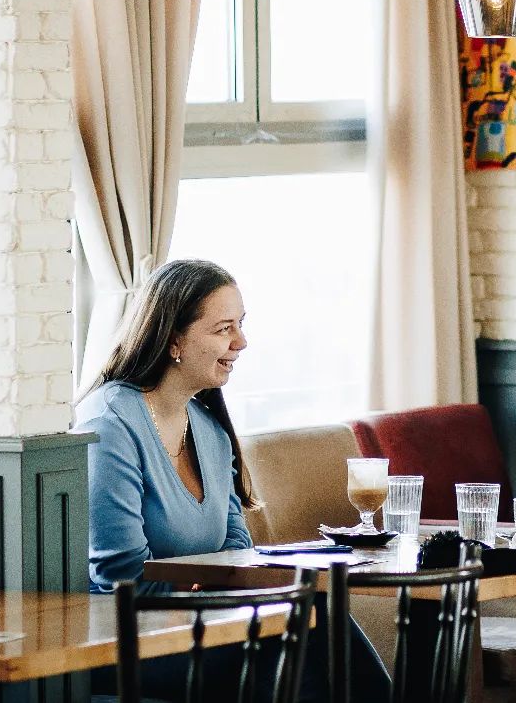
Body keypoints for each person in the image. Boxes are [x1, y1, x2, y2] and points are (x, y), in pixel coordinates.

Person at [76, 258, 390, 703]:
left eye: (241, 324)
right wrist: (218, 589)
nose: (241, 342)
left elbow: (238, 554)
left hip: (205, 622)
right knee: (296, 635)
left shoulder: (209, 430)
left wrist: (224, 587)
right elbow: (121, 577)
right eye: (224, 328)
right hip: (130, 640)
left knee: (318, 612)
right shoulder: (111, 422)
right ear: (173, 340)